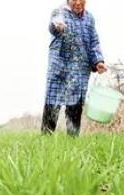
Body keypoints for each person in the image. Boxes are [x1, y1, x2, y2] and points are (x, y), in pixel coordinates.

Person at [41, 0, 106, 136]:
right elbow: (53, 26)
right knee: (52, 102)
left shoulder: (89, 18)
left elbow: (94, 42)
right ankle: (45, 139)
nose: (77, 3)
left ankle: (73, 140)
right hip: (59, 66)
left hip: (80, 68)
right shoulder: (59, 12)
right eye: (73, 0)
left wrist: (98, 61)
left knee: (75, 104)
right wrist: (57, 27)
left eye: (81, 0)